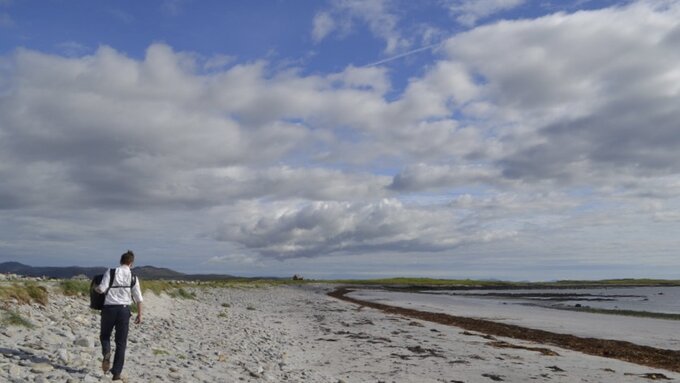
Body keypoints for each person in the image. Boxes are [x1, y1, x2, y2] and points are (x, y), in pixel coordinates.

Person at [95, 250, 143, 381]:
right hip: (124, 311)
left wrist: (96, 288)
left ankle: (106, 352)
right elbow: (138, 298)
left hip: (109, 309)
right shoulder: (133, 277)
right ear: (131, 263)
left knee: (105, 335)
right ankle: (116, 373)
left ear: (120, 261)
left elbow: (102, 289)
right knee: (121, 343)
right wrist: (140, 314)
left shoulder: (110, 271)